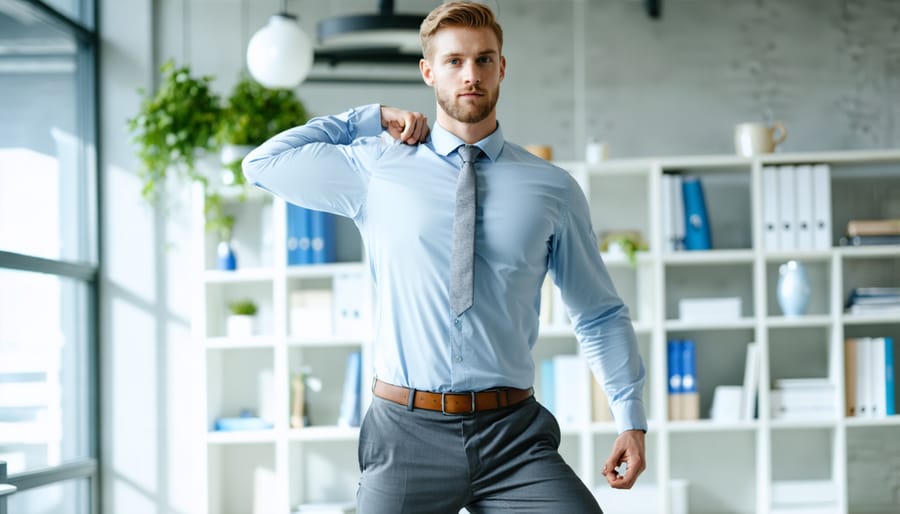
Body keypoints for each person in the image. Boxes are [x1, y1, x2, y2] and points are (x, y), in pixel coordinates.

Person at [243, 2, 647, 512]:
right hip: (405, 432)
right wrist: (368, 119)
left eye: (483, 59)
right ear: (428, 72)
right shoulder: (378, 168)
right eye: (454, 61)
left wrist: (630, 419)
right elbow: (262, 164)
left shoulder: (552, 189)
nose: (470, 74)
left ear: (502, 67)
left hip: (514, 436)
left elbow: (599, 312)